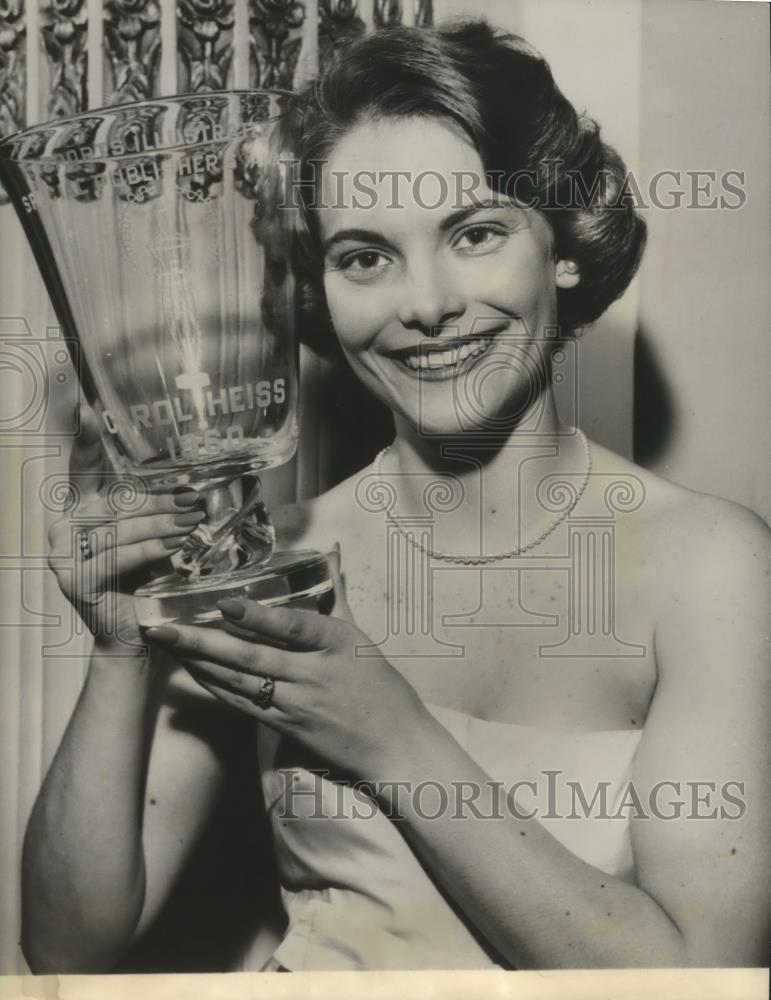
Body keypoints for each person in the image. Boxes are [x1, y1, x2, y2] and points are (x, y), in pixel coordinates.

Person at [22, 20, 770, 972]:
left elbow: (700, 981)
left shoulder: (710, 566)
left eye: (475, 234)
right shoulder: (268, 564)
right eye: (364, 256)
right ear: (320, 293)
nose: (423, 304)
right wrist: (119, 650)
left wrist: (394, 738)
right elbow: (60, 956)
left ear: (565, 248)